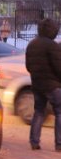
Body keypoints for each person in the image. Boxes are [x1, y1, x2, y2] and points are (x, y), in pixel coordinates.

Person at [25, 18, 61, 151]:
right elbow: (59, 67)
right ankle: (59, 143)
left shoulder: (31, 44)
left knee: (39, 112)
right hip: (53, 85)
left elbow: (28, 66)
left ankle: (34, 142)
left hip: (37, 84)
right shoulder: (52, 46)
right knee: (59, 112)